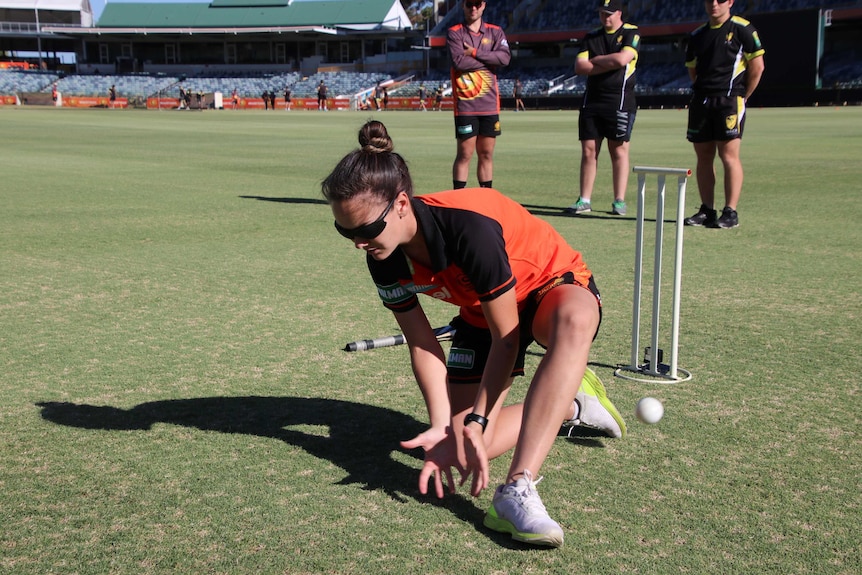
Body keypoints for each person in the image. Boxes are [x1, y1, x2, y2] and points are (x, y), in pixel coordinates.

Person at [322, 120, 626, 548]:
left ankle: (517, 490)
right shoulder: (382, 255)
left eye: (367, 229)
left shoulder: (467, 228)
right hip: (482, 311)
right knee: (461, 452)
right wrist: (445, 425)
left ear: (403, 204)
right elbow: (423, 343)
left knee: (574, 322)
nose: (357, 242)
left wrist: (480, 417)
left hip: (549, 286)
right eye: (345, 231)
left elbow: (508, 339)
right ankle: (572, 403)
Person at [683, 0, 765, 229]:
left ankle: (731, 211)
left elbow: (757, 67)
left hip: (729, 100)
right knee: (703, 156)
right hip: (701, 101)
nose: (714, 4)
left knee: (728, 155)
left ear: (730, 2)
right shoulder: (697, 35)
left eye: (719, 0)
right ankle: (707, 209)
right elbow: (692, 69)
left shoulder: (742, 29)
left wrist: (743, 96)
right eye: (709, 0)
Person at [565, 0, 639, 216]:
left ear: (619, 12)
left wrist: (596, 61)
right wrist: (609, 62)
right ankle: (584, 199)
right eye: (601, 13)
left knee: (618, 150)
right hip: (592, 100)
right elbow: (580, 67)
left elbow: (623, 59)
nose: (605, 17)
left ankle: (619, 200)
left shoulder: (631, 33)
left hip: (620, 100)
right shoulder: (591, 37)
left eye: (609, 13)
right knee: (588, 151)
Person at [448, 0, 511, 189]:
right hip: (466, 106)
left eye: (477, 3)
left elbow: (505, 58)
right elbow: (459, 62)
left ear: (484, 5)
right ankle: (458, 198)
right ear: (463, 6)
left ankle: (487, 197)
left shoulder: (495, 31)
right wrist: (490, 60)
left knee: (486, 154)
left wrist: (474, 52)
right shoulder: (455, 32)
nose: (473, 8)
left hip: (489, 105)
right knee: (465, 154)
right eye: (469, 4)